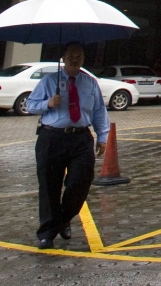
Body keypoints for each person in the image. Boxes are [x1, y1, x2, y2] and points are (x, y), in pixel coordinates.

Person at [25, 42, 109, 249]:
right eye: (71, 55)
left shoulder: (90, 83)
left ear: (83, 59)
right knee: (49, 185)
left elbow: (99, 110)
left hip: (80, 138)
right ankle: (47, 233)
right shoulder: (49, 80)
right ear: (63, 58)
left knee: (80, 182)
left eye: (79, 55)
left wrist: (102, 136)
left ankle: (64, 218)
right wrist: (48, 103)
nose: (75, 59)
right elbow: (30, 105)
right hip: (52, 137)